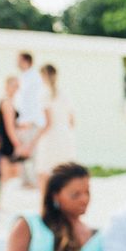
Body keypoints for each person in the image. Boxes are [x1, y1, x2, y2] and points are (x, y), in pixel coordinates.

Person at [33, 64, 76, 192]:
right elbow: (72, 121)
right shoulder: (65, 93)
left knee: (43, 174)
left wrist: (34, 140)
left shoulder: (44, 94)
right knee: (64, 173)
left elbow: (48, 123)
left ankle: (44, 206)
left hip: (51, 138)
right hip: (65, 136)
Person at [13, 52, 44, 188]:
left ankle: (35, 181)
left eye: (18, 60)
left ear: (25, 61)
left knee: (33, 151)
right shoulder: (23, 77)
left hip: (31, 122)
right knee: (22, 151)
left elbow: (34, 101)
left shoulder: (34, 78)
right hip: (22, 121)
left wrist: (29, 120)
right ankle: (25, 181)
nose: (16, 63)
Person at [0, 75, 26, 191]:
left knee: (12, 171)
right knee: (6, 172)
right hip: (5, 140)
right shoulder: (7, 102)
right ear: (7, 86)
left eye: (18, 86)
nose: (16, 89)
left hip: (4, 138)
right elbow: (9, 127)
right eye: (14, 86)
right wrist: (17, 144)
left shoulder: (7, 101)